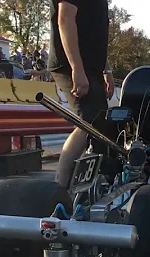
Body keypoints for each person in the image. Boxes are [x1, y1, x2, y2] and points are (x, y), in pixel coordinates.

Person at [48, 0, 115, 189]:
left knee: (101, 125)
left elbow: (95, 33)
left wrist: (106, 71)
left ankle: (88, 188)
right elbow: (65, 19)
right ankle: (59, 188)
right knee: (89, 122)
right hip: (72, 65)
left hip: (91, 68)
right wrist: (76, 69)